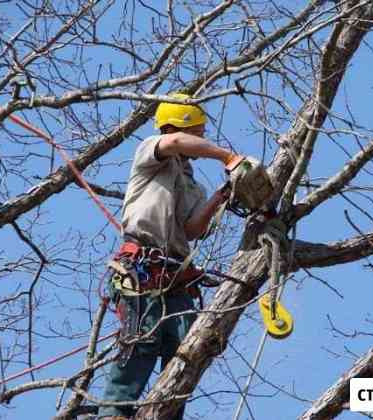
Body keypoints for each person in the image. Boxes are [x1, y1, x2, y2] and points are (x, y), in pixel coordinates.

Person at [98, 94, 245, 420]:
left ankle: (167, 414)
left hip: (176, 278)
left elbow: (192, 229)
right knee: (143, 339)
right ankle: (114, 412)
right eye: (197, 132)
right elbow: (176, 141)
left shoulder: (192, 185)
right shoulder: (151, 152)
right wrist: (227, 156)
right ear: (178, 126)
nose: (201, 139)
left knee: (189, 347)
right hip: (140, 269)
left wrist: (223, 195)